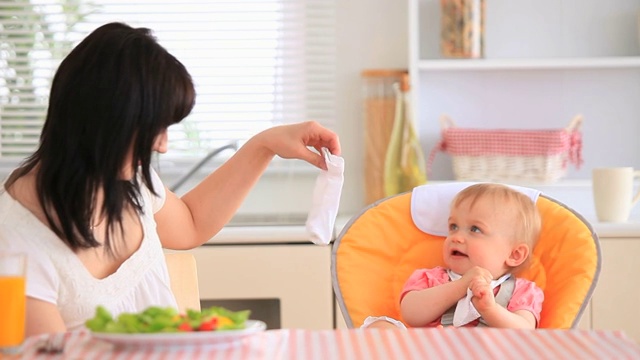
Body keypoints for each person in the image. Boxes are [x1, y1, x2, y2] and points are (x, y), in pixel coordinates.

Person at [0, 22, 340, 337]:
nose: (162, 144)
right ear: (108, 123)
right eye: (154, 129)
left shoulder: (127, 179)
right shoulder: (13, 242)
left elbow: (191, 223)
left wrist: (267, 144)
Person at [364, 183, 544, 329]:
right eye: (453, 227)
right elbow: (411, 315)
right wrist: (461, 285)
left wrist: (490, 309)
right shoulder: (431, 279)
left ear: (515, 254)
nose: (456, 237)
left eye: (475, 229)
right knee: (380, 327)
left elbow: (525, 333)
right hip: (431, 352)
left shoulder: (522, 291)